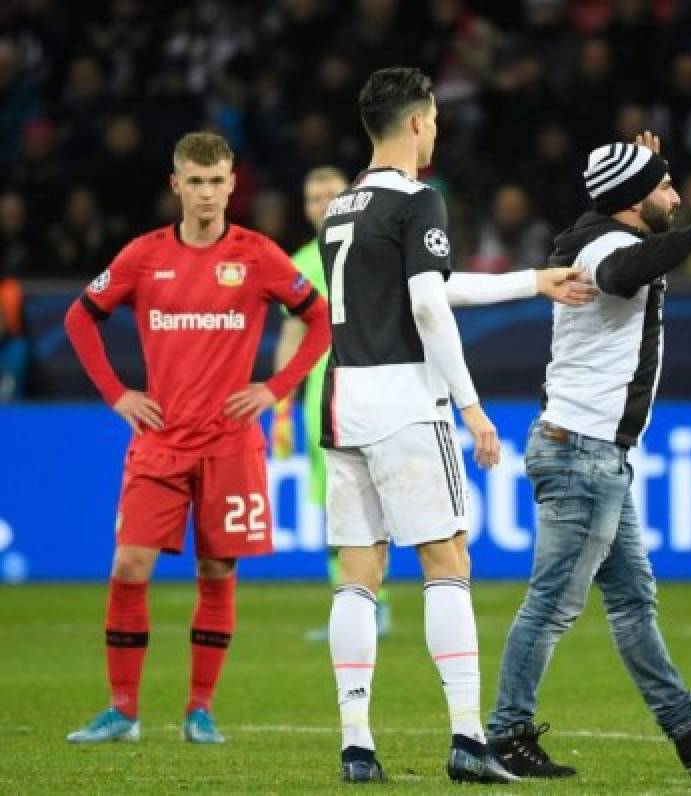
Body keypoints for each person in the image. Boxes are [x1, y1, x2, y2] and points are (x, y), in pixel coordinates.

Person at [320, 66, 593, 785]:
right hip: (407, 399)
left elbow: (434, 285)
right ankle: (469, 738)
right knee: (447, 563)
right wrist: (470, 406)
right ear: (415, 123)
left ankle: (356, 744)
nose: (436, 129)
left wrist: (532, 281)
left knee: (358, 574)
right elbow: (430, 309)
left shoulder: (342, 208)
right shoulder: (419, 201)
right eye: (434, 118)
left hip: (344, 396)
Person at [485, 132, 691, 778]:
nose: (675, 195)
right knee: (552, 604)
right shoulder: (612, 246)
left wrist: (639, 171)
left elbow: (627, 255)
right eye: (664, 186)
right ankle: (504, 736)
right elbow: (619, 273)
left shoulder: (598, 235)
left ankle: (690, 730)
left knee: (634, 600)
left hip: (592, 455)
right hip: (584, 454)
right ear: (635, 201)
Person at [63, 132, 332, 744]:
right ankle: (123, 712)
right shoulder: (143, 256)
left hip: (230, 444)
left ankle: (199, 710)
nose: (207, 193)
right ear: (176, 184)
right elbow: (80, 317)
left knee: (217, 572)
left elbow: (319, 320)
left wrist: (276, 388)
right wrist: (118, 394)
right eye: (196, 181)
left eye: (217, 181)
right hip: (160, 443)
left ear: (233, 184)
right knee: (129, 565)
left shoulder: (259, 255)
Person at [269, 166, 394, 642]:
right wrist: (281, 405)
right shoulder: (298, 262)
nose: (321, 204)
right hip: (322, 399)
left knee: (383, 502)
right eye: (312, 197)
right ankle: (362, 606)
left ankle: (376, 598)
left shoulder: (377, 247)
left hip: (377, 389)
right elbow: (292, 333)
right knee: (337, 507)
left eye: (329, 194)